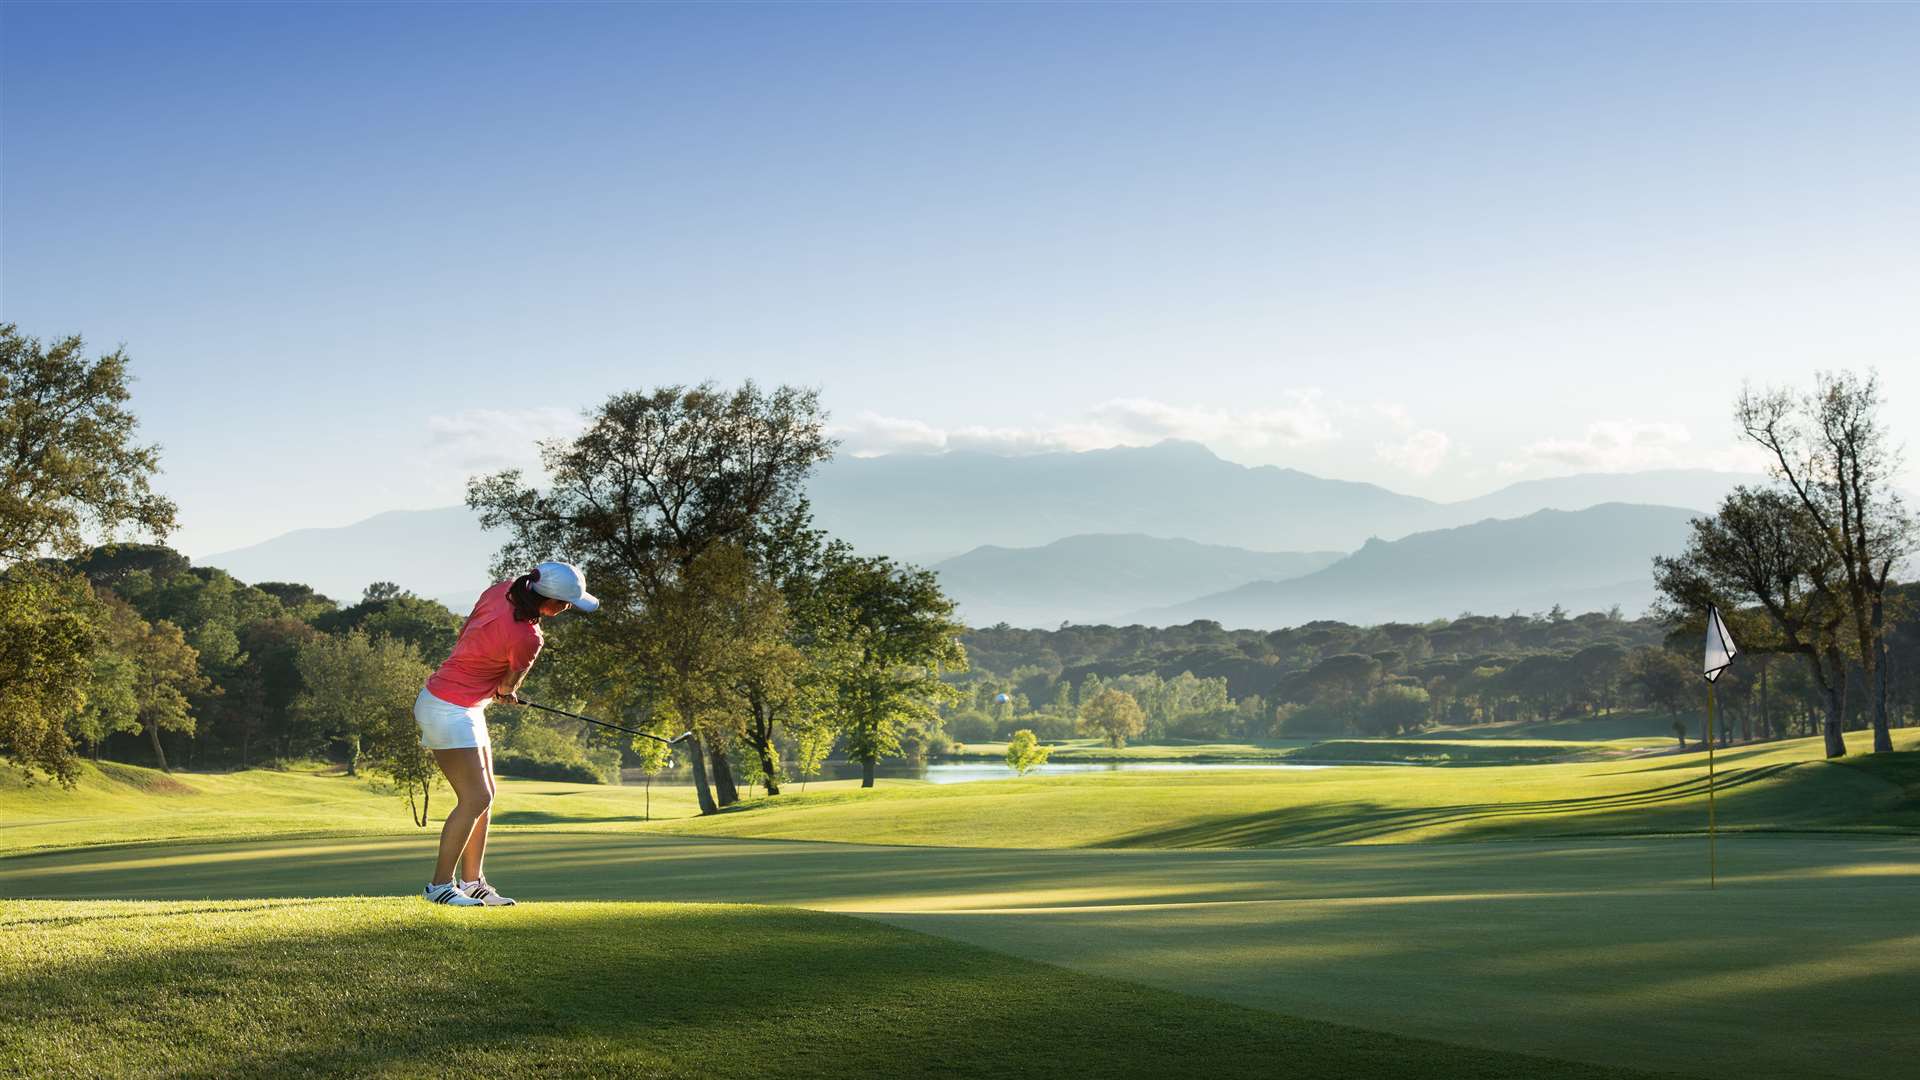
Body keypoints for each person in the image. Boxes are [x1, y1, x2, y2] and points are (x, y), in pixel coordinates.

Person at [413, 560, 598, 906]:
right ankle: (438, 887)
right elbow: (506, 687)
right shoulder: (528, 638)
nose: (569, 608)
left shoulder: (501, 589)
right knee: (476, 798)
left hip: (458, 702)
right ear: (553, 605)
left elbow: (469, 635)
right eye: (568, 604)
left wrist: (493, 687)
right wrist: (506, 692)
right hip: (448, 708)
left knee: (486, 796)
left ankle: (472, 882)